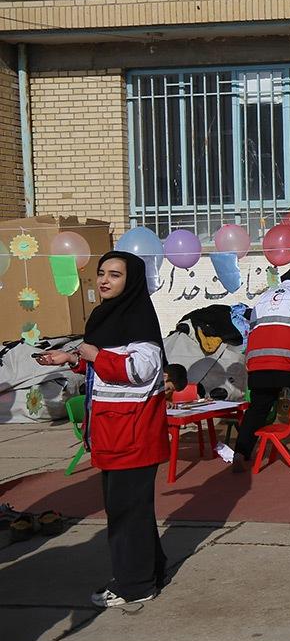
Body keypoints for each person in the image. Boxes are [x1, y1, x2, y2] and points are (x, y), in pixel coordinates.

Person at [37, 252, 169, 607]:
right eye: (101, 273)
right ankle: (151, 570)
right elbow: (106, 370)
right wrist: (73, 359)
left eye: (115, 274)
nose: (105, 280)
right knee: (130, 511)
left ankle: (135, 585)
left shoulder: (137, 318)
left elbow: (139, 370)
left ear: (133, 281)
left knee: (127, 515)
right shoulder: (106, 317)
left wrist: (94, 355)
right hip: (113, 434)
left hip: (133, 436)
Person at [231, 267, 290, 471]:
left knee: (258, 408)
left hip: (259, 361)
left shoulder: (265, 297)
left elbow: (256, 326)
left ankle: (241, 451)